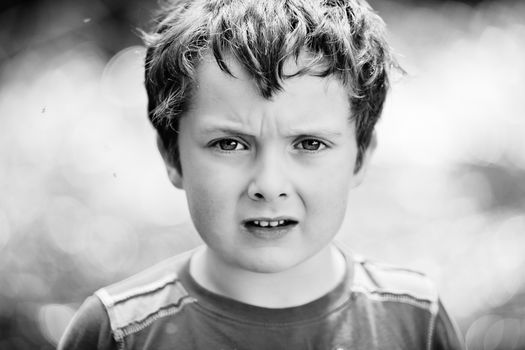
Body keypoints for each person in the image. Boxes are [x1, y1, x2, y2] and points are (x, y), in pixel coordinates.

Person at [58, 0, 465, 349]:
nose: (269, 185)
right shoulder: (118, 332)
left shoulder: (415, 322)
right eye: (229, 144)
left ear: (360, 157)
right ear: (171, 155)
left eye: (309, 144)